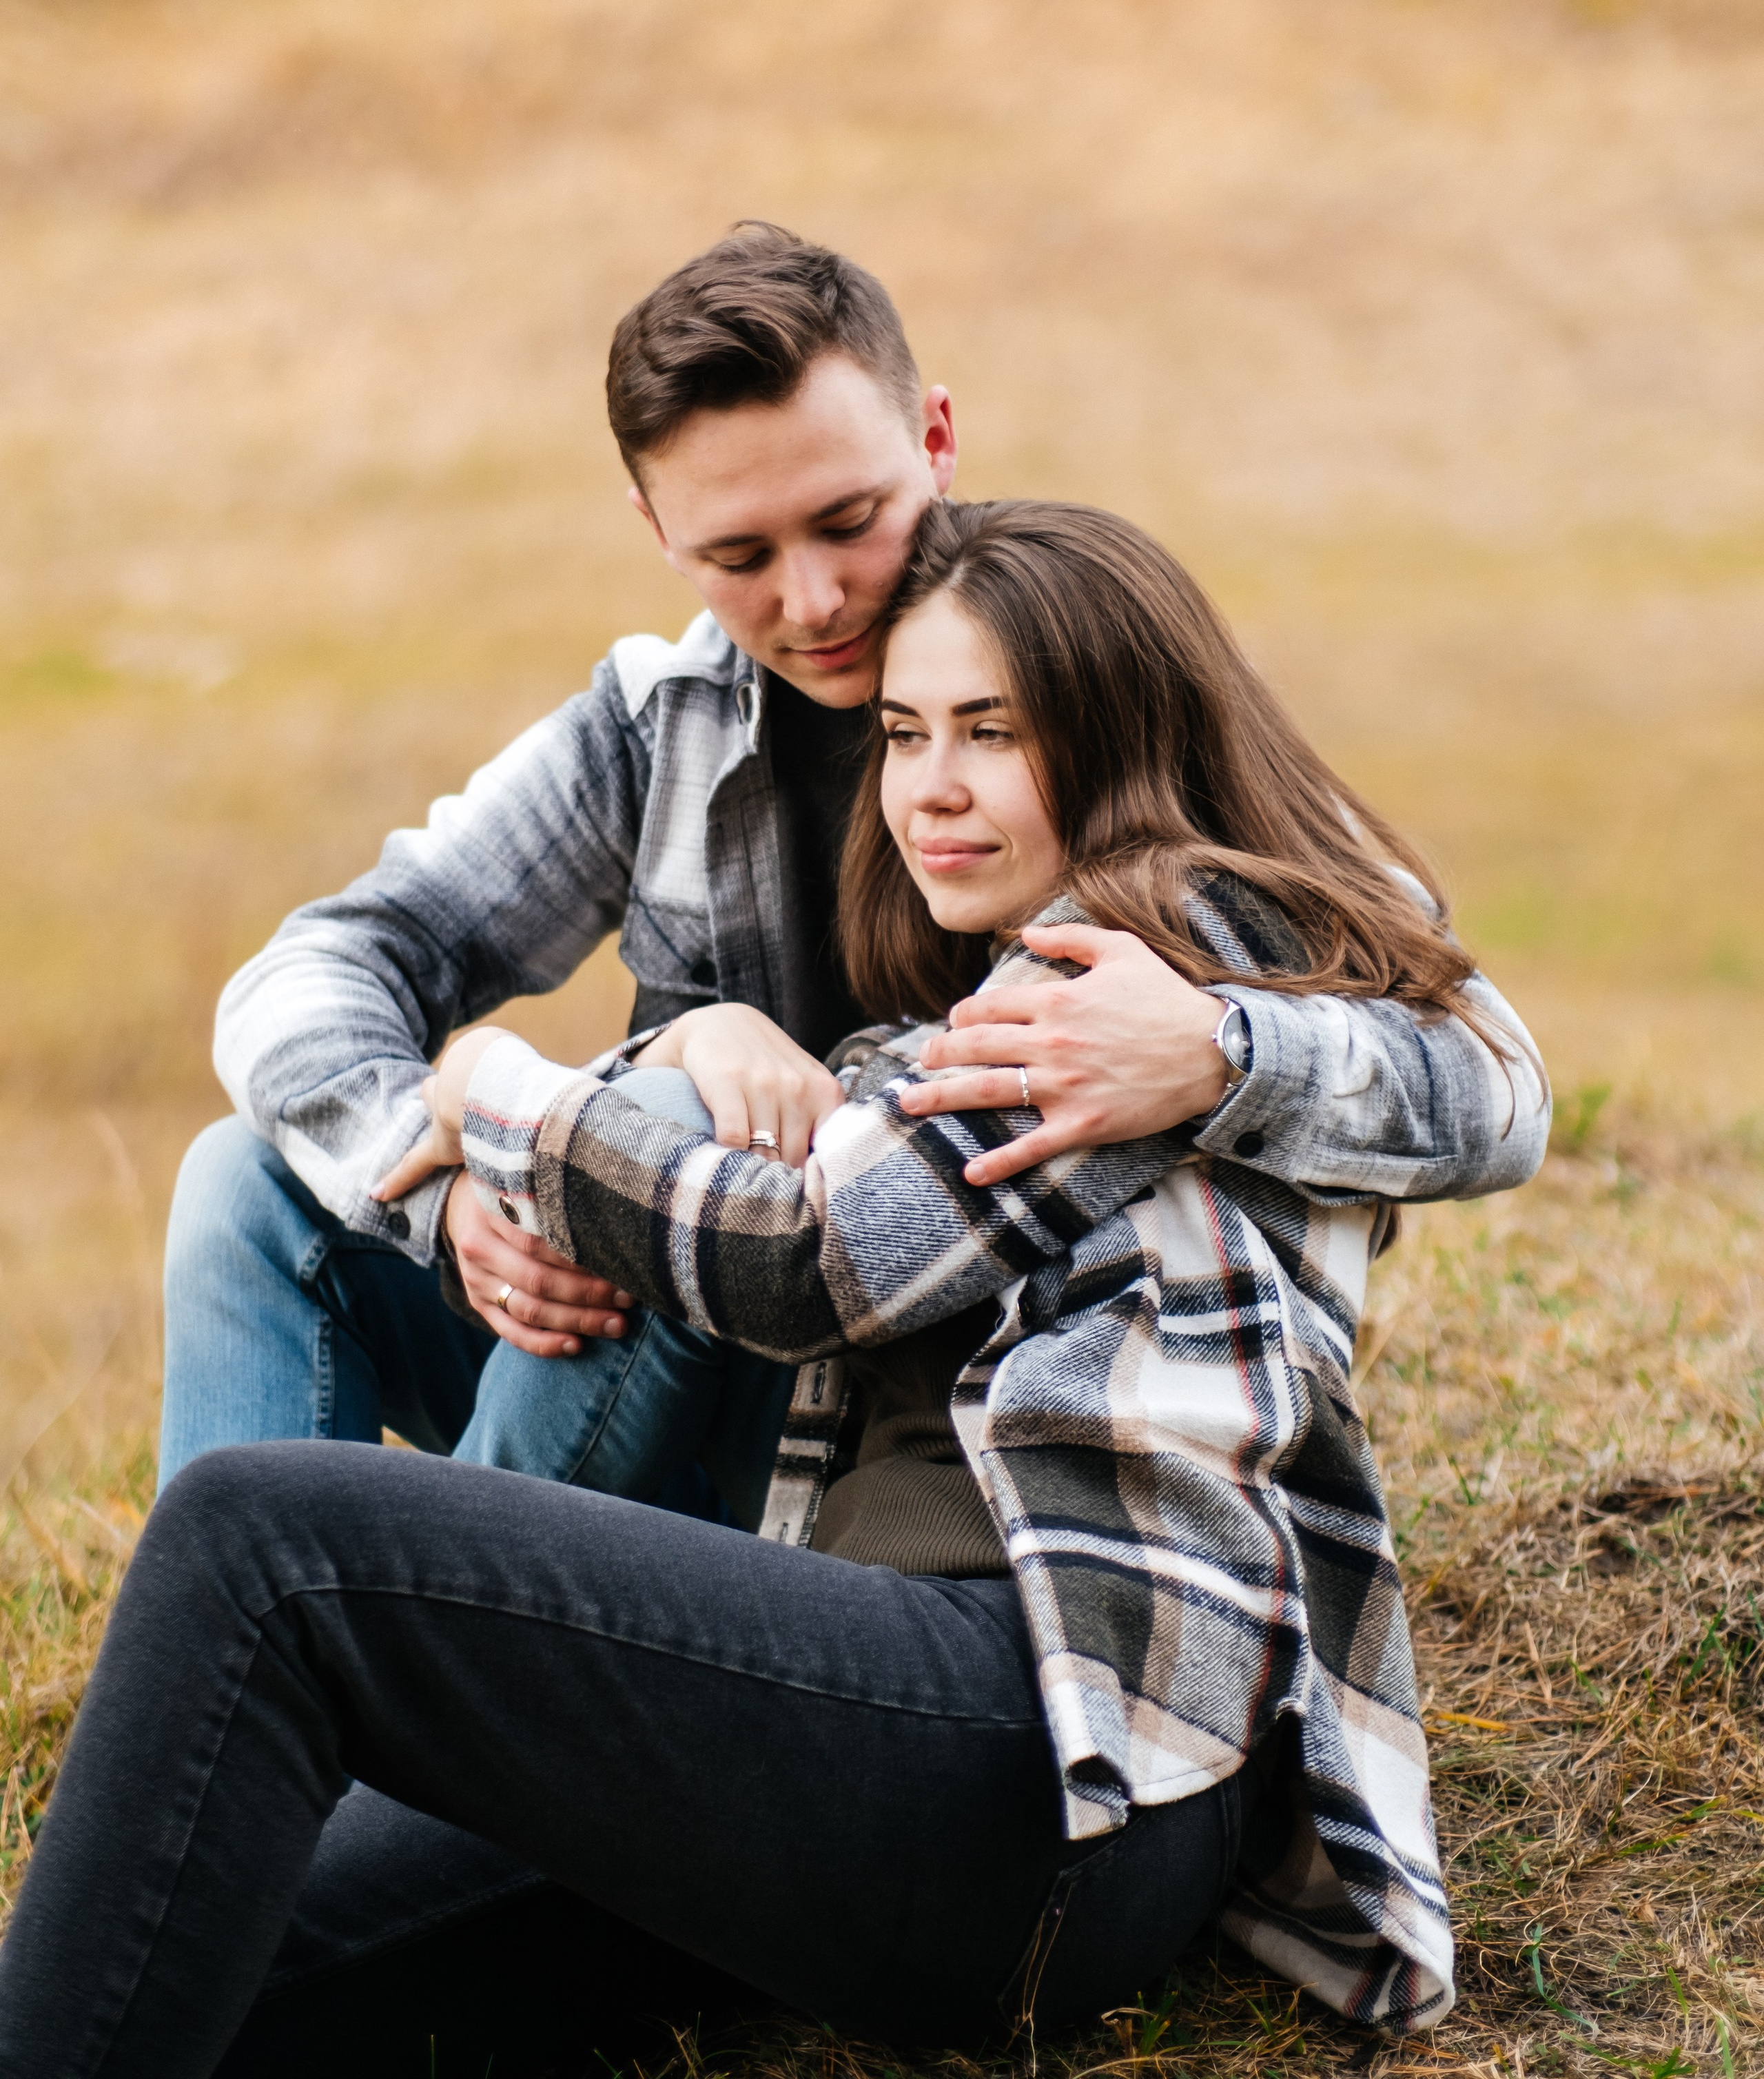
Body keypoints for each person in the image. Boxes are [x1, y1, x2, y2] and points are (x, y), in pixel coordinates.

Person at [0, 500, 1548, 2078]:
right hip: (887, 1740)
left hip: (1040, 1749)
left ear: (1117, 734)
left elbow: (807, 1258)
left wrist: (504, 1095)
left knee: (266, 1537)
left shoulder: (1135, 959)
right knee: (223, 1952)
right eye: (903, 733)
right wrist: (624, 1059)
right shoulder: (1016, 967)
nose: (929, 788)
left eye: (990, 734)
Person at [160, 224, 1551, 1520]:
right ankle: (314, 1638)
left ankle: (426, 1658)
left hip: (931, 1432)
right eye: (738, 555)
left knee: (655, 1108)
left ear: (935, 438)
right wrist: (444, 1190)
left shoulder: (1094, 666)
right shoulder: (655, 727)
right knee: (245, 1182)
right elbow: (312, 973)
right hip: (673, 1342)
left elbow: (1489, 1075)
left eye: (846, 518)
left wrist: (1220, 1050)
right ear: (655, 531)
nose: (811, 600)